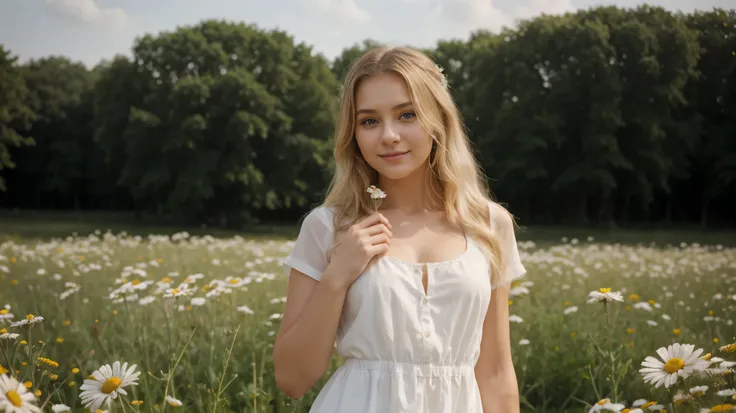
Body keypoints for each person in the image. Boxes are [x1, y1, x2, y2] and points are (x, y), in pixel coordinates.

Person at [272, 46, 527, 413]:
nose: (389, 135)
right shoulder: (327, 227)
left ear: (438, 118)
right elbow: (292, 379)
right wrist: (337, 275)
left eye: (407, 114)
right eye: (369, 121)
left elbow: (496, 373)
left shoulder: (488, 225)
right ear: (353, 133)